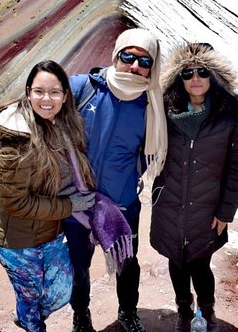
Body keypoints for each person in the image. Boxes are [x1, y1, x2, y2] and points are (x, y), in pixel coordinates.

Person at [64, 28, 167, 332]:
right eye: (128, 57)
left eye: (144, 62)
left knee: (127, 263)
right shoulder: (83, 88)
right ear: (115, 56)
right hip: (77, 201)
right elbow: (36, 103)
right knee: (77, 267)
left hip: (122, 203)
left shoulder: (151, 105)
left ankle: (128, 311)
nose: (135, 66)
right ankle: (81, 316)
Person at [0, 60, 97, 332]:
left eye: (54, 92)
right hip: (17, 240)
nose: (46, 99)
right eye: (39, 92)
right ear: (28, 93)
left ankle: (27, 315)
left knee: (62, 289)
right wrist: (70, 205)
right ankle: (30, 322)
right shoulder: (17, 142)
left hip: (48, 231)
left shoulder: (62, 125)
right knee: (31, 299)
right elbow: (16, 204)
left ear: (65, 95)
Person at [150, 43, 238, 332]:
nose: (195, 78)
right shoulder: (165, 109)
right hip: (169, 201)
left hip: (208, 206)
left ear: (214, 76)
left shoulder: (232, 114)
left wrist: (226, 211)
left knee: (199, 261)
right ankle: (184, 308)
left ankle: (206, 311)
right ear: (177, 78)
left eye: (202, 72)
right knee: (176, 258)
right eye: (187, 73)